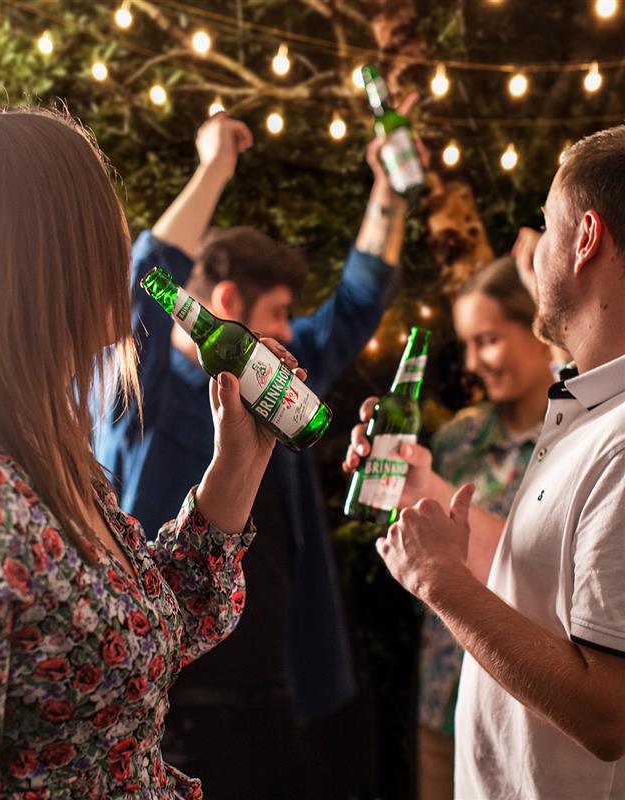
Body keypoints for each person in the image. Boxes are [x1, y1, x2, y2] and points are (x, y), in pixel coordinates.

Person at [95, 102, 417, 798]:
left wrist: (390, 186)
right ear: (228, 298)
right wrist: (215, 166)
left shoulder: (274, 381)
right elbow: (148, 277)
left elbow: (358, 302)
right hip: (168, 709)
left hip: (279, 698)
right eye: (277, 313)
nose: (290, 333)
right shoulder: (137, 387)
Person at [0, 107, 304, 798]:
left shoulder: (56, 451)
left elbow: (155, 623)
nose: (129, 255)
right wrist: (216, 166)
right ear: (44, 255)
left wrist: (240, 459)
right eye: (109, 226)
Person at [350, 125, 625, 799]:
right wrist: (427, 488)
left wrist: (441, 582)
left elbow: (609, 714)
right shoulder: (587, 407)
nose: (530, 250)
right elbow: (546, 591)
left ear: (585, 238)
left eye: (545, 225)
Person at [344, 254, 554, 799]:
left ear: (537, 326)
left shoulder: (574, 444)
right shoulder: (459, 440)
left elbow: (545, 571)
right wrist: (390, 483)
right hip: (445, 701)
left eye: (487, 339)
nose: (474, 360)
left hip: (540, 711)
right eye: (465, 343)